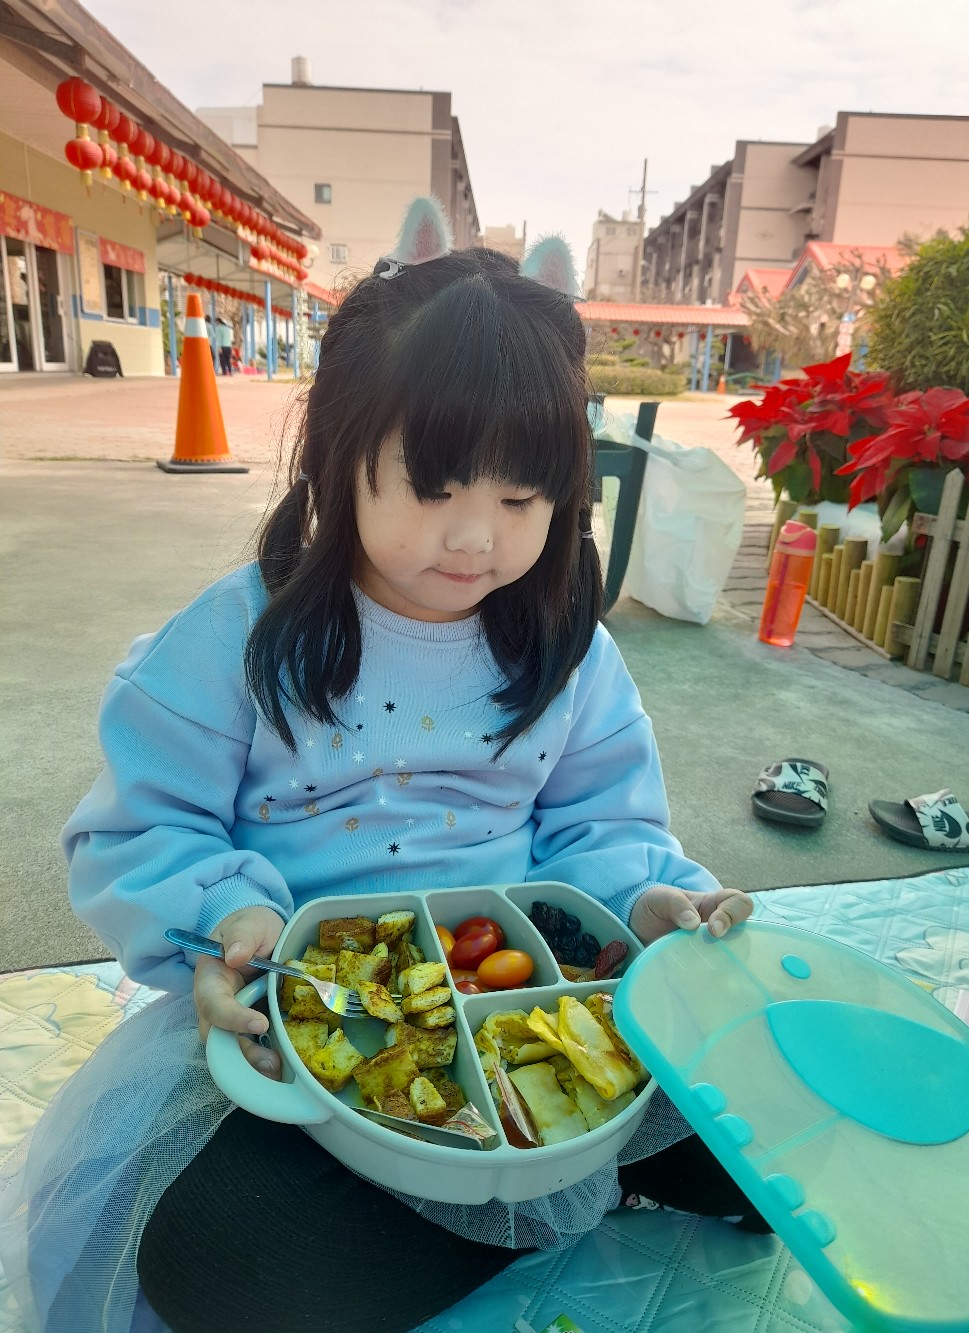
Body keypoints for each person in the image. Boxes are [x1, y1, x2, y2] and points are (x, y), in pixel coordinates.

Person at [0, 199, 756, 1333]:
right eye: (435, 488)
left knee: (762, 1109)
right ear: (336, 453)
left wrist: (649, 898)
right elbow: (143, 830)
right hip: (311, 1018)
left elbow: (599, 822)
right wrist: (223, 924)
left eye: (520, 498)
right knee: (205, 1259)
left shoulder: (565, 647)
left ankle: (510, 1201)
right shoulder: (240, 638)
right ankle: (532, 1206)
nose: (477, 538)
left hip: (526, 991)